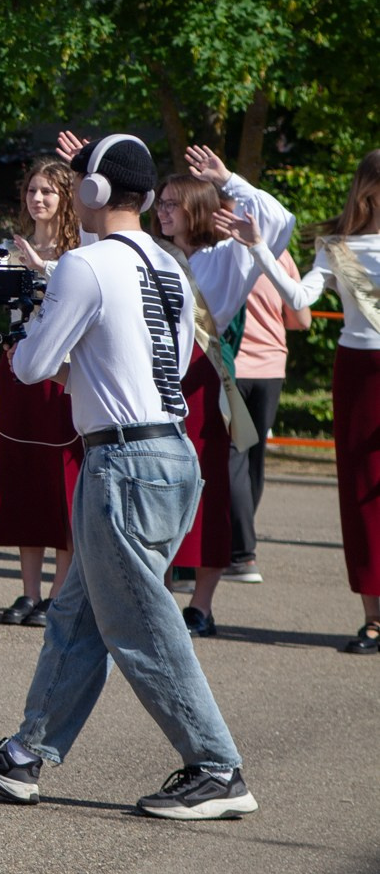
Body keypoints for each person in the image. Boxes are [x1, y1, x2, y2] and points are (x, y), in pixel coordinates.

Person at [0, 133, 258, 821]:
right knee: (77, 614)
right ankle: (27, 753)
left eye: (79, 179)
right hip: (167, 453)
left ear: (94, 191)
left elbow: (28, 366)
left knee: (141, 625)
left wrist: (36, 315)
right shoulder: (169, 262)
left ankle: (217, 765)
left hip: (121, 461)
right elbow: (149, 360)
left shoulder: (86, 265)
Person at [143, 143, 294, 637]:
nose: (162, 212)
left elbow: (278, 221)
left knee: (208, 494)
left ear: (197, 209)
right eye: (159, 203)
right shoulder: (149, 256)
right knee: (157, 490)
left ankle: (201, 606)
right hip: (153, 379)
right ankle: (161, 595)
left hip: (204, 379)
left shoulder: (227, 258)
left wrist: (230, 180)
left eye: (172, 203)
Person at [261, 148, 380, 652]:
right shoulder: (340, 247)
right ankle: (373, 617)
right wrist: (258, 249)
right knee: (362, 490)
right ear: (370, 189)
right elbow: (299, 298)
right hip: (358, 371)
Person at [0, 157, 84, 625]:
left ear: (66, 196)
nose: (38, 198)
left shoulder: (81, 250)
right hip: (16, 366)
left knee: (58, 479)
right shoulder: (10, 248)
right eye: (31, 191)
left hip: (61, 372)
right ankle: (27, 592)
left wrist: (41, 266)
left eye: (48, 191)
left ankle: (59, 593)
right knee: (23, 475)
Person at [227, 240, 304, 587]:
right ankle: (240, 547)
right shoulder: (280, 255)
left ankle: (242, 553)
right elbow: (300, 318)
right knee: (254, 460)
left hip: (234, 366)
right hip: (272, 367)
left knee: (233, 458)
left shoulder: (220, 253)